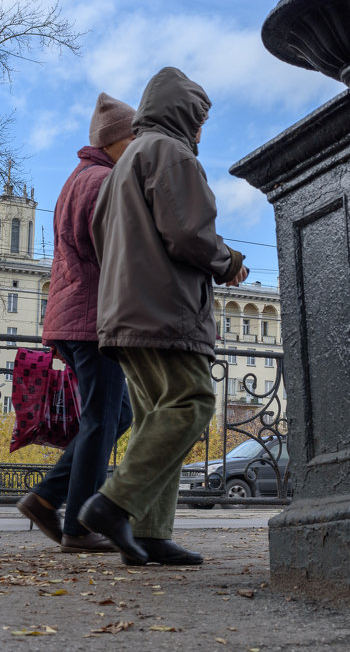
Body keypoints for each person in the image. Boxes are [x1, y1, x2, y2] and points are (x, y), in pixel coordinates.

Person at [78, 67, 248, 567]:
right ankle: (112, 504)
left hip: (124, 313)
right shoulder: (171, 154)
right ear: (185, 116)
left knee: (158, 417)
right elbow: (189, 234)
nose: (201, 132)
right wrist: (229, 261)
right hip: (163, 311)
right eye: (200, 120)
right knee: (192, 402)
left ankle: (151, 533)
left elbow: (105, 238)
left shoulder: (126, 163)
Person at [16, 92, 137, 553]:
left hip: (74, 316)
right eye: (133, 138)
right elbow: (112, 251)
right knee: (103, 419)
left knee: (112, 415)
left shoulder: (80, 177)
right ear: (115, 140)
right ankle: (74, 525)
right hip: (93, 318)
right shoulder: (102, 181)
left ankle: (49, 500)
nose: (139, 146)